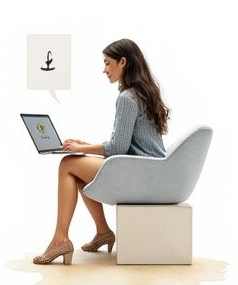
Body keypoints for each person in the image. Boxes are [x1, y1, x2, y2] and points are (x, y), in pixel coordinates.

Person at [33, 38, 170, 265]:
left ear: (123, 62)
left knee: (68, 164)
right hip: (150, 171)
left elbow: (118, 148)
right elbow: (124, 144)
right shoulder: (143, 92)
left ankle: (60, 240)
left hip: (141, 175)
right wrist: (83, 145)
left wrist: (81, 148)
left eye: (107, 63)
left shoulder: (127, 98)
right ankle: (103, 232)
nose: (104, 69)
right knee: (78, 169)